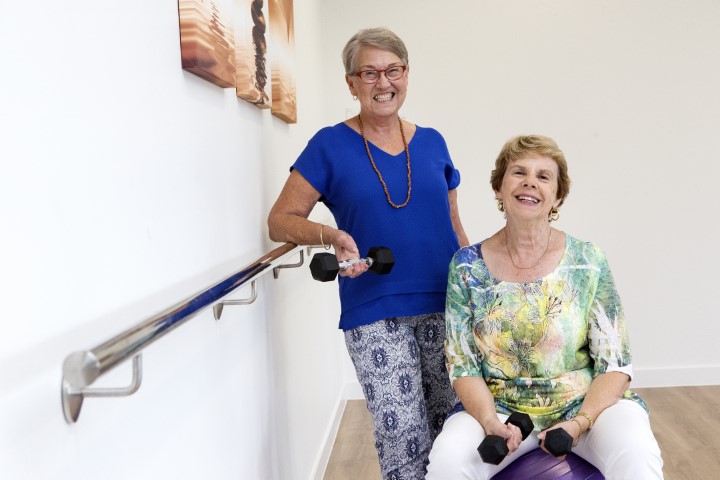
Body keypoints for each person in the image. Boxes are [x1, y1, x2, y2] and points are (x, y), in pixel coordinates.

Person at [267, 27, 469, 479]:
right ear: (351, 83)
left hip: (447, 304)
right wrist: (330, 235)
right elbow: (280, 220)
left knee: (455, 432)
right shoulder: (328, 145)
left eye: (392, 70)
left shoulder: (433, 141)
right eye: (370, 73)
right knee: (403, 440)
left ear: (406, 74)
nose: (383, 83)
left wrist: (478, 290)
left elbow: (454, 226)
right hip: (375, 311)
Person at [425, 135, 664, 479]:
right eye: (518, 172)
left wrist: (579, 423)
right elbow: (463, 367)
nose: (530, 183)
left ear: (558, 196)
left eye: (543, 176)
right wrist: (490, 421)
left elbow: (615, 364)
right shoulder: (466, 266)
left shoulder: (587, 260)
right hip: (500, 409)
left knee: (637, 452)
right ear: (498, 188)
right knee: (447, 461)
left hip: (584, 406)